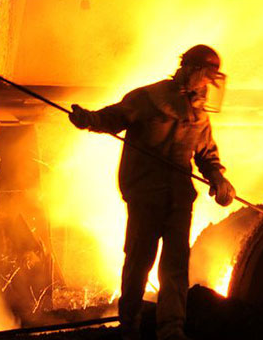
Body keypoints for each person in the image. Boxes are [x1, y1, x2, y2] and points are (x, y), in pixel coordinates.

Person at [69, 45, 237, 340]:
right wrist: (88, 120)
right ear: (192, 71)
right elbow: (112, 118)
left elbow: (207, 155)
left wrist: (218, 178)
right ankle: (130, 324)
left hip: (179, 200)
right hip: (146, 197)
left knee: (174, 267)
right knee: (139, 261)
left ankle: (171, 329)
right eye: (206, 77)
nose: (208, 85)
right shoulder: (147, 99)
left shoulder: (198, 114)